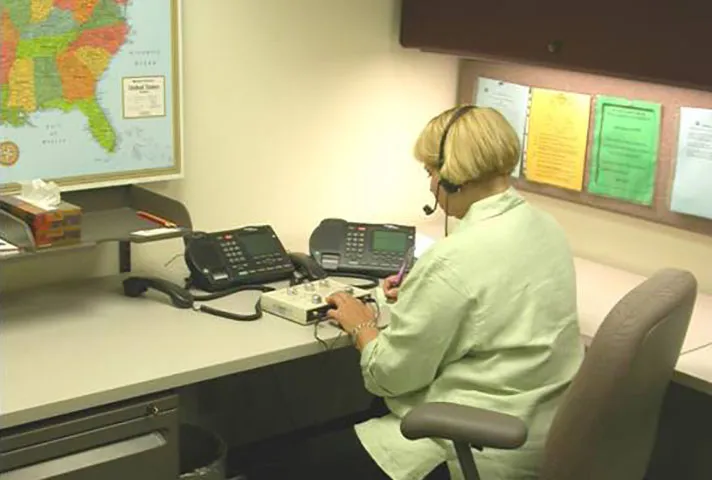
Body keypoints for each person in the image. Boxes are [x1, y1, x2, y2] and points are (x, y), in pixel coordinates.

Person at [263, 104, 585, 480]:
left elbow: (390, 376)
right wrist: (420, 295)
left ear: (452, 177)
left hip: (468, 450)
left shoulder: (453, 259)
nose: (431, 184)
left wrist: (361, 326)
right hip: (546, 437)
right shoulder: (545, 227)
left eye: (431, 171)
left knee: (280, 466)